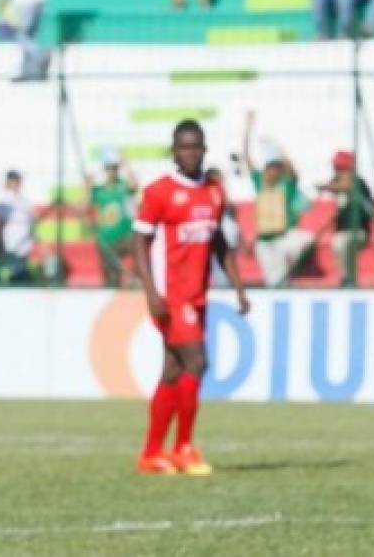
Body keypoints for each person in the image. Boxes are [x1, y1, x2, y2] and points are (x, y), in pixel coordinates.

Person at [132, 120, 250, 476]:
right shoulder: (159, 193)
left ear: (204, 149)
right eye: (183, 147)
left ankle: (152, 453)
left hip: (198, 295)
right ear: (174, 151)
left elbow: (218, 243)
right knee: (197, 362)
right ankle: (183, 448)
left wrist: (239, 286)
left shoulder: (213, 192)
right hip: (170, 296)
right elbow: (139, 243)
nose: (190, 153)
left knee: (173, 370)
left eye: (196, 147)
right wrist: (151, 293)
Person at [242, 110, 313, 287]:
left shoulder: (285, 186)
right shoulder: (259, 182)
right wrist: (248, 128)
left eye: (275, 169)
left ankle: (293, 267)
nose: (271, 172)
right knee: (275, 282)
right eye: (269, 168)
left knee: (305, 240)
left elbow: (293, 171)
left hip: (283, 237)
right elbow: (246, 157)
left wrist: (279, 149)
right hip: (265, 241)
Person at [318, 151, 374, 287]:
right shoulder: (337, 183)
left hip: (359, 231)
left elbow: (347, 186)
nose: (338, 173)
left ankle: (348, 279)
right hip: (343, 232)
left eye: (341, 169)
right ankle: (347, 278)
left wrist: (328, 187)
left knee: (340, 242)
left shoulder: (359, 183)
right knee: (340, 242)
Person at [86, 156, 138, 288]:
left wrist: (127, 165)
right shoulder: (99, 190)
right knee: (111, 277)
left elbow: (134, 185)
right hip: (106, 239)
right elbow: (87, 203)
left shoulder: (122, 185)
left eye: (115, 168)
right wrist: (87, 184)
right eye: (109, 169)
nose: (112, 172)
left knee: (139, 258)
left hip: (125, 235)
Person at [0, 170, 36, 283]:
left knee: (21, 273)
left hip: (25, 243)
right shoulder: (3, 200)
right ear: (8, 183)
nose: (16, 184)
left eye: (18, 181)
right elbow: (0, 223)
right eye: (13, 181)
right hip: (11, 244)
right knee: (15, 274)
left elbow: (31, 220)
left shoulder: (25, 200)